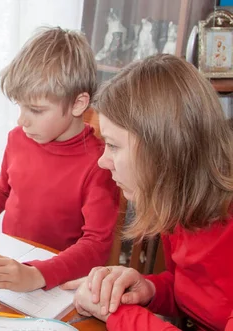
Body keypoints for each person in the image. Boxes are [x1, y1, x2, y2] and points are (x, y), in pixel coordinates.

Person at [0, 27, 120, 292]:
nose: (22, 120)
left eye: (36, 110)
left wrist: (37, 274)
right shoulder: (18, 138)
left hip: (58, 281)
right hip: (13, 263)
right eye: (20, 106)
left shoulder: (100, 163)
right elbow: (2, 188)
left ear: (78, 104)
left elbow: (96, 246)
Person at [61, 54, 233, 330]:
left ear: (162, 154)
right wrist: (147, 289)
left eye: (114, 146)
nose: (102, 162)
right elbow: (198, 296)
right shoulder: (178, 200)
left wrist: (117, 315)